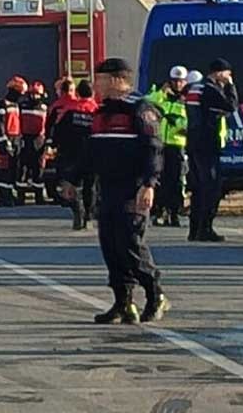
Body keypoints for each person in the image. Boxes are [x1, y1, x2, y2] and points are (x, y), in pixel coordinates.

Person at [84, 58, 168, 325]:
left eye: (100, 79)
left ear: (117, 80)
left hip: (133, 188)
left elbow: (153, 149)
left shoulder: (140, 110)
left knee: (130, 244)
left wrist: (149, 184)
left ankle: (156, 295)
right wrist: (71, 179)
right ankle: (123, 302)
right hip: (107, 188)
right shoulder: (101, 113)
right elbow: (93, 152)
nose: (95, 84)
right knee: (110, 246)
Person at [185, 59, 238, 243]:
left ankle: (194, 229)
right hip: (207, 143)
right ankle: (205, 228)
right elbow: (231, 105)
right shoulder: (210, 89)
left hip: (193, 142)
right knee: (211, 186)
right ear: (218, 73)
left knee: (198, 188)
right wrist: (230, 87)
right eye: (227, 73)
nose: (229, 77)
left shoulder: (195, 88)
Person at [145, 66, 190, 227]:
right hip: (160, 145)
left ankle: (174, 213)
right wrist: (161, 93)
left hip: (177, 146)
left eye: (181, 81)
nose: (178, 84)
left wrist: (177, 123)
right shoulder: (161, 96)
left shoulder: (188, 99)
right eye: (175, 81)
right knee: (160, 179)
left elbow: (189, 122)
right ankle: (159, 212)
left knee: (177, 181)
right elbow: (147, 103)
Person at [50, 79, 98, 230]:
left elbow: (57, 130)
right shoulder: (96, 111)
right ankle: (88, 216)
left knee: (69, 184)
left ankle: (78, 209)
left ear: (77, 93)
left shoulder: (69, 110)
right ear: (92, 93)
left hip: (70, 154)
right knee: (90, 186)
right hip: (91, 154)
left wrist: (53, 146)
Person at [0, 77, 27, 207]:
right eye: (20, 93)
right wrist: (4, 140)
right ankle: (3, 197)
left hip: (16, 139)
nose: (21, 96)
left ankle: (10, 194)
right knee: (4, 170)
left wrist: (20, 139)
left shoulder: (16, 105)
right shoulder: (2, 104)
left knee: (14, 169)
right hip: (6, 140)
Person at [18, 80, 50, 205]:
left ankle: (39, 197)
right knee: (23, 169)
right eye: (32, 94)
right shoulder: (22, 106)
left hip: (39, 140)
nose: (34, 97)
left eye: (36, 94)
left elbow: (47, 125)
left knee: (39, 170)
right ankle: (21, 197)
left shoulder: (44, 108)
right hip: (26, 139)